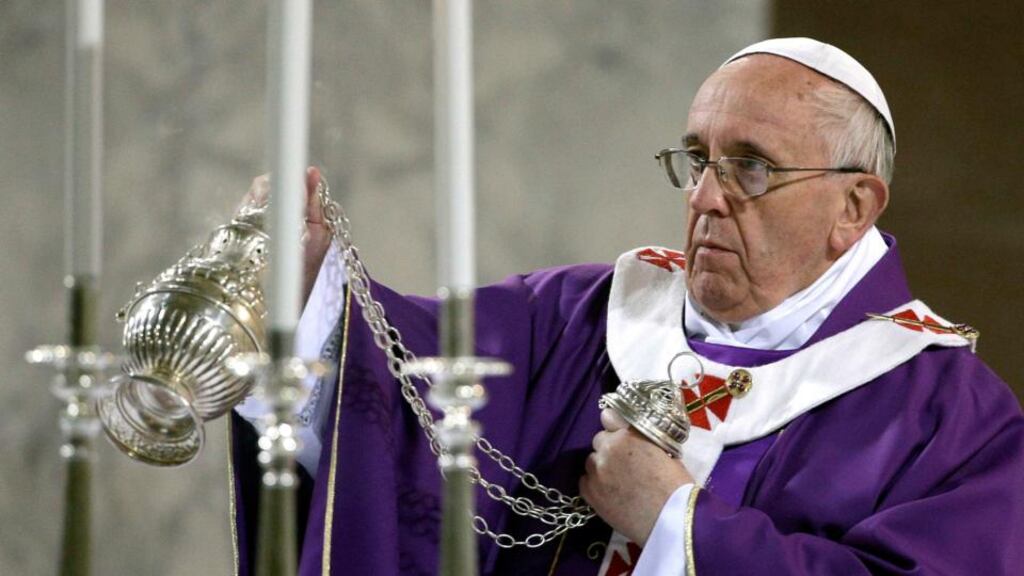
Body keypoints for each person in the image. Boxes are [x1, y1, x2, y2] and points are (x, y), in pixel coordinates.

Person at [230, 38, 1024, 575]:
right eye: (696, 159)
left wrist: (678, 523)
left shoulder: (949, 419)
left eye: (751, 167)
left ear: (854, 206)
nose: (706, 196)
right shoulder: (583, 314)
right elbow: (404, 397)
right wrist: (314, 299)